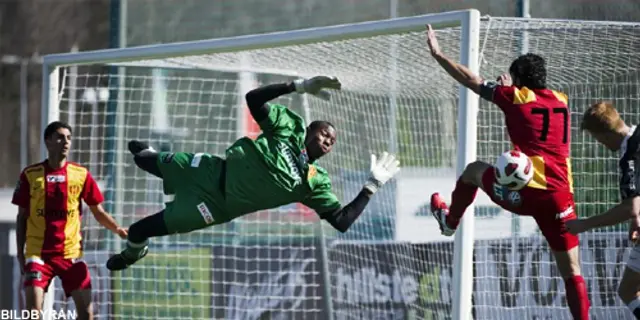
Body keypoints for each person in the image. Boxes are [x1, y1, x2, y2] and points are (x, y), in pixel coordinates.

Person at [106, 75, 400, 271]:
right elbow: (253, 99)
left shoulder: (315, 182)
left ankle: (134, 253)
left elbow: (342, 221)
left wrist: (372, 185)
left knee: (138, 231)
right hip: (210, 170)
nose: (328, 141)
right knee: (143, 160)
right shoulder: (289, 129)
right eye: (325, 133)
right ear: (309, 129)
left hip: (213, 207)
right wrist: (296, 86)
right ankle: (152, 154)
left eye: (333, 142)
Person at [424, 25, 590, 319]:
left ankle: (450, 222)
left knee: (473, 171)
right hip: (560, 200)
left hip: (523, 195)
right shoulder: (562, 100)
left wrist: (438, 54)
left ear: (520, 81)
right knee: (573, 272)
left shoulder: (514, 97)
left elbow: (470, 79)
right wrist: (510, 87)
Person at [12, 121, 128, 320]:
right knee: (32, 313)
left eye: (68, 138)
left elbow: (98, 212)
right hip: (37, 254)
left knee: (87, 314)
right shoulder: (30, 175)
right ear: (47, 142)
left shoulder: (81, 175)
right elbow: (22, 217)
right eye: (59, 137)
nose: (65, 142)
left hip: (71, 254)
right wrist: (21, 254)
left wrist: (117, 229)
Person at [566, 101, 640, 319]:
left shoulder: (629, 157)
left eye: (596, 139)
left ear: (604, 135)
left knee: (628, 291)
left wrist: (584, 224)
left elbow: (630, 206)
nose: (599, 143)